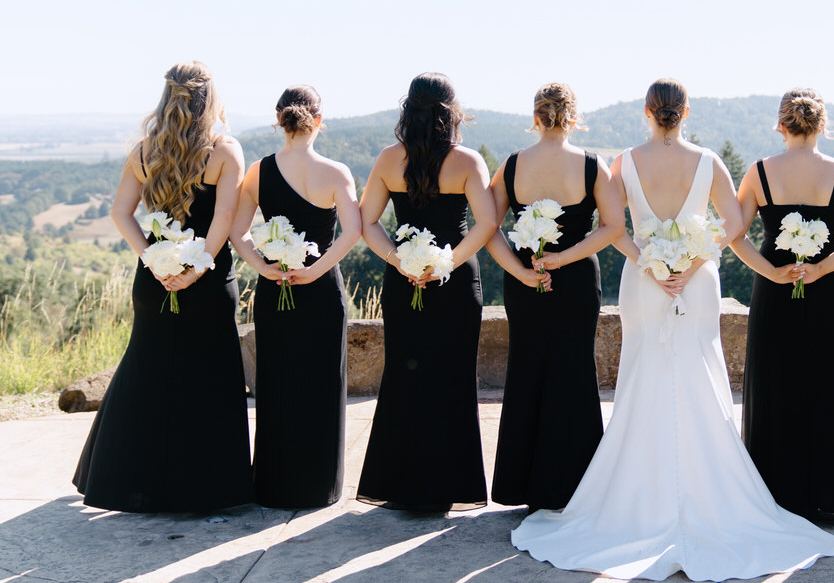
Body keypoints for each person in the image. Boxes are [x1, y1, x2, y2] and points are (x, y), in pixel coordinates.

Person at [512, 78, 834, 580]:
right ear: (685, 112)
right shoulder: (708, 162)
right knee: (697, 374)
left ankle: (633, 500)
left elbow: (614, 229)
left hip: (644, 282)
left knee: (643, 374)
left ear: (647, 112)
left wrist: (650, 261)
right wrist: (691, 260)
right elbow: (732, 226)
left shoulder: (623, 161)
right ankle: (715, 498)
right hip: (696, 281)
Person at [74, 61, 252, 512]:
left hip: (153, 281)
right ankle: (209, 489)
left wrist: (152, 259)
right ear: (209, 97)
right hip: (208, 281)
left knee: (148, 374)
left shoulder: (143, 149)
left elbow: (121, 213)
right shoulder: (226, 150)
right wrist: (198, 268)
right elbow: (224, 220)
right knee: (209, 378)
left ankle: (127, 483)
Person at [355, 73, 498, 511]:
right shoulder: (468, 161)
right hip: (454, 284)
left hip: (404, 283)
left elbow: (367, 222)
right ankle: (448, 486)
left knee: (406, 376)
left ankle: (400, 484)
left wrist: (400, 261)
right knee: (452, 379)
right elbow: (488, 224)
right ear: (451, 113)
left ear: (407, 109)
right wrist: (446, 263)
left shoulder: (386, 160)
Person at [731, 88, 834, 518]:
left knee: (778, 384)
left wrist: (771, 271)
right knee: (830, 384)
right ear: (822, 126)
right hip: (828, 292)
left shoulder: (759, 173)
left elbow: (733, 234)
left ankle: (777, 492)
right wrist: (823, 268)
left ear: (781, 125)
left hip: (777, 291)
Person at [487, 83, 622, 510]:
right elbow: (613, 227)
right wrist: (564, 259)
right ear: (573, 118)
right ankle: (574, 485)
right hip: (577, 279)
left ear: (535, 117)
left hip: (525, 283)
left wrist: (521, 272)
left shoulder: (511, 165)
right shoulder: (590, 165)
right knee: (573, 371)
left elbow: (486, 227)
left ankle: (521, 485)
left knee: (528, 369)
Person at [232, 85, 361, 509]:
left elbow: (238, 232)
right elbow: (353, 232)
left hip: (275, 288)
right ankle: (318, 486)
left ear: (278, 119)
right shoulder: (336, 172)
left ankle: (275, 485)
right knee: (322, 386)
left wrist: (264, 267)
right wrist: (316, 270)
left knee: (277, 384)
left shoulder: (257, 171)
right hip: (322, 290)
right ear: (318, 121)